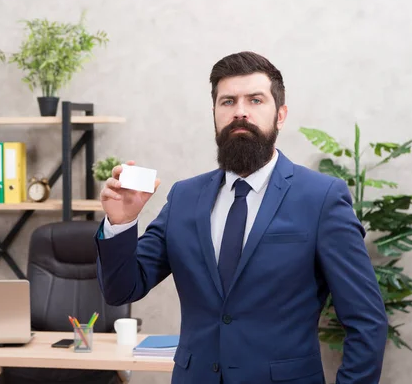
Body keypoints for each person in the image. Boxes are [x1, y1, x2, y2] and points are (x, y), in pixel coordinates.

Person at [94, 51, 388, 384]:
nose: (240, 112)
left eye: (255, 100)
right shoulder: (184, 198)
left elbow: (367, 322)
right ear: (215, 114)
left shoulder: (321, 198)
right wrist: (121, 224)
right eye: (228, 101)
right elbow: (122, 290)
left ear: (280, 115)